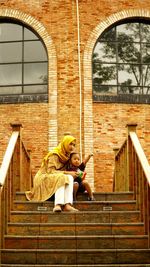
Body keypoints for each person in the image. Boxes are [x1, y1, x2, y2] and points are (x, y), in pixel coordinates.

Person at [25, 135, 79, 212]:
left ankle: (68, 205)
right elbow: (50, 171)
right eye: (70, 144)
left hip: (56, 176)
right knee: (62, 177)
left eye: (74, 145)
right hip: (44, 176)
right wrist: (68, 172)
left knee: (69, 177)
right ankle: (58, 204)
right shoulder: (55, 154)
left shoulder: (66, 156)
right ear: (65, 144)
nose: (72, 147)